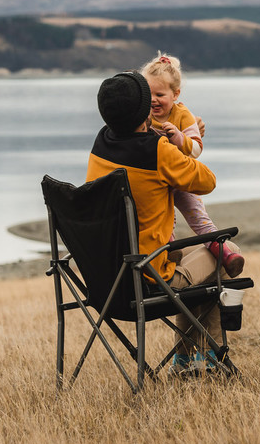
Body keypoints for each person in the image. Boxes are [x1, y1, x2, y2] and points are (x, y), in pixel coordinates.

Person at [87, 70, 226, 374]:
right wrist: (182, 143)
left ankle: (186, 358)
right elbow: (207, 181)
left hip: (105, 281)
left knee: (194, 257)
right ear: (142, 111)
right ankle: (209, 359)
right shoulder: (157, 152)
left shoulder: (101, 142)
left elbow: (129, 128)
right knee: (222, 254)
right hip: (147, 277)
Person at [141, 52, 245, 276]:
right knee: (164, 220)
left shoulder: (183, 114)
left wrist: (179, 137)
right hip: (156, 180)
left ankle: (224, 252)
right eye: (148, 94)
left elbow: (196, 149)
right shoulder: (142, 116)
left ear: (175, 94)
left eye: (160, 94)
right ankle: (167, 254)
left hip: (181, 178)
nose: (153, 100)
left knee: (198, 216)